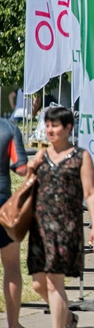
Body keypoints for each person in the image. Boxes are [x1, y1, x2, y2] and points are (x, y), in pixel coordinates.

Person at [27, 107, 94, 328]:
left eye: (55, 125)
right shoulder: (41, 155)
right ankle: (68, 318)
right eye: (47, 125)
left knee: (54, 283)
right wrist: (30, 169)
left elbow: (90, 194)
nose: (50, 130)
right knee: (39, 284)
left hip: (66, 228)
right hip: (39, 228)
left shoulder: (81, 157)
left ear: (68, 128)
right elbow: (30, 186)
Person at [0, 119, 28, 328]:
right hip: (3, 206)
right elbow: (21, 168)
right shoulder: (8, 128)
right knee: (11, 265)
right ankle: (13, 324)